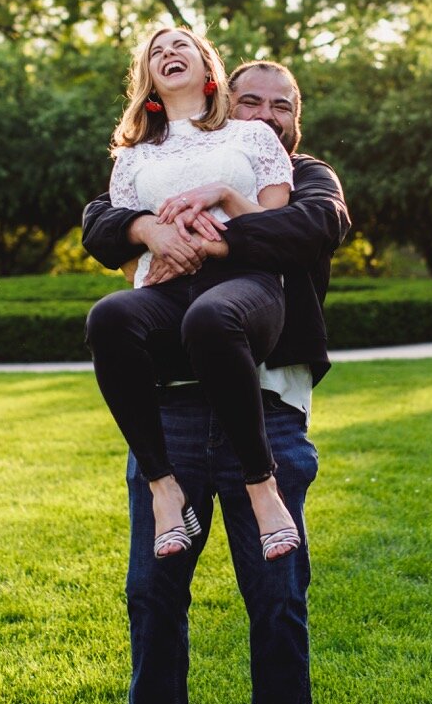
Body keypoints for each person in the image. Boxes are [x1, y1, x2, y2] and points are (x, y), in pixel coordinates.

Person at [83, 59, 350, 704]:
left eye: (281, 106)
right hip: (169, 415)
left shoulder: (308, 178)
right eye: (249, 101)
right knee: (152, 598)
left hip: (269, 415)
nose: (265, 114)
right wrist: (149, 229)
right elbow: (97, 219)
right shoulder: (171, 162)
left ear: (297, 120)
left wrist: (208, 234)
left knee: (278, 602)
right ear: (223, 106)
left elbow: (313, 226)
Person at [85, 27, 303, 566]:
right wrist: (154, 235)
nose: (168, 53)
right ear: (149, 83)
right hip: (166, 288)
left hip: (245, 286)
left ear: (210, 70)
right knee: (109, 316)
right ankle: (164, 489)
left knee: (210, 318)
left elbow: (278, 227)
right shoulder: (134, 158)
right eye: (156, 51)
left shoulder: (250, 137)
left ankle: (261, 487)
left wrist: (216, 232)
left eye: (181, 45)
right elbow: (133, 254)